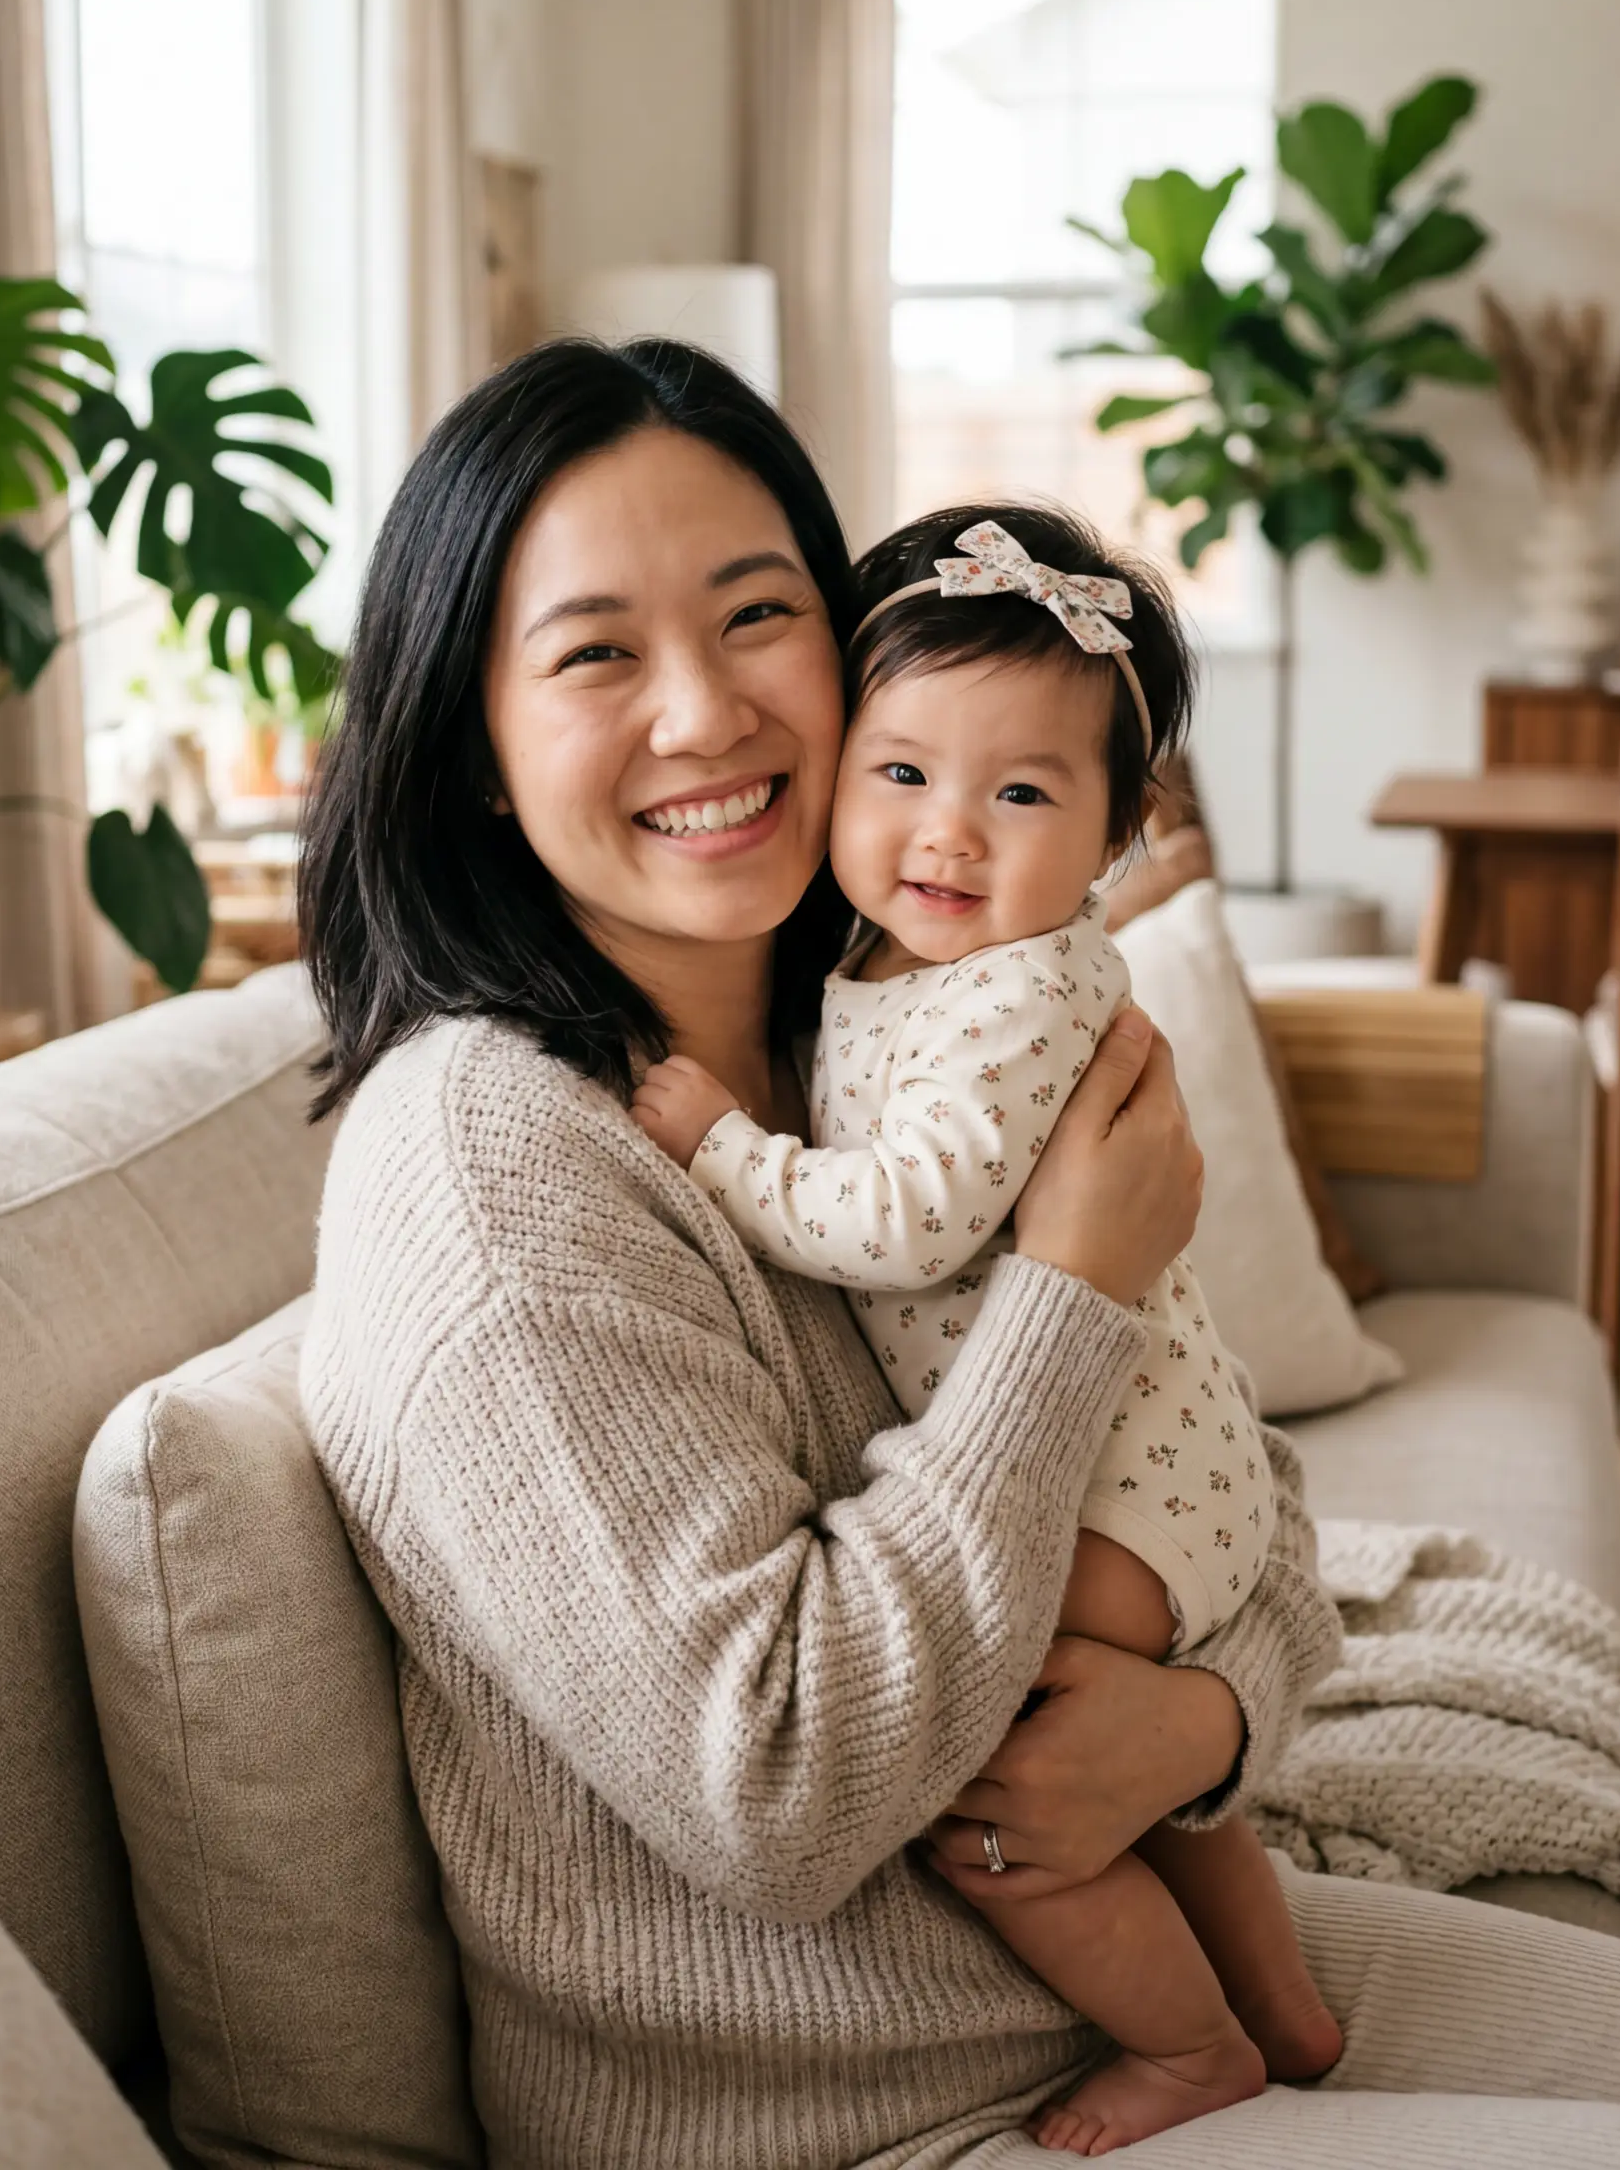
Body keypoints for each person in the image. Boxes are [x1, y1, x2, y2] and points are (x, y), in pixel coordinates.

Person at [299, 337, 1620, 2170]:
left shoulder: (887, 1021)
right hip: (854, 2110)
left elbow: (1234, 1501)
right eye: (595, 653)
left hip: (1080, 1980)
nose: (703, 713)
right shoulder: (500, 1169)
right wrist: (1069, 1287)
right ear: (475, 752)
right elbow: (788, 1785)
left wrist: (1199, 1729)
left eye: (757, 616)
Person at [631, 503, 1340, 2153]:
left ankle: (1187, 2049)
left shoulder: (1026, 990)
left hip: (1120, 1489)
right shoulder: (888, 958)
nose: (947, 834)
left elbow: (911, 1220)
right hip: (1154, 1467)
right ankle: (1284, 2007)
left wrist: (725, 1147)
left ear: (1109, 841)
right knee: (1135, 1768)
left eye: (1019, 793)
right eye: (900, 775)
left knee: (1003, 1786)